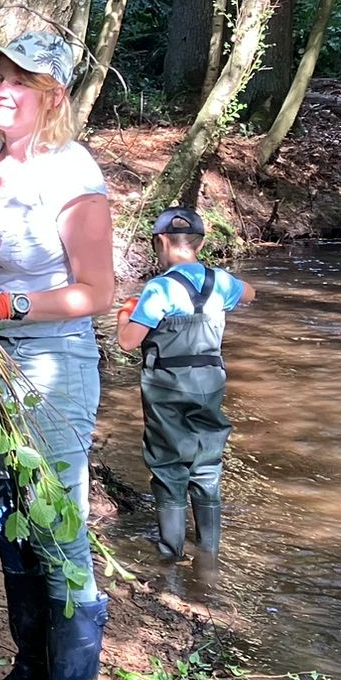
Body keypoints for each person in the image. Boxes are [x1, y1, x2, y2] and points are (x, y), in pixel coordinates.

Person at [0, 31, 116, 680]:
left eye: (22, 80)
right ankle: (29, 677)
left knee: (56, 526)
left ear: (54, 96)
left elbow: (98, 292)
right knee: (8, 516)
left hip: (51, 366)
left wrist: (3, 305)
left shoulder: (71, 172)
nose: (2, 89)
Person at [116, 207, 254, 561]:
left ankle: (170, 552)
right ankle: (209, 553)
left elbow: (128, 341)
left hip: (167, 387)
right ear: (201, 244)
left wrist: (125, 313)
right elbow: (250, 294)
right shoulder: (220, 281)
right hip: (210, 383)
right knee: (207, 461)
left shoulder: (159, 288)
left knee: (168, 463)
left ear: (161, 242)